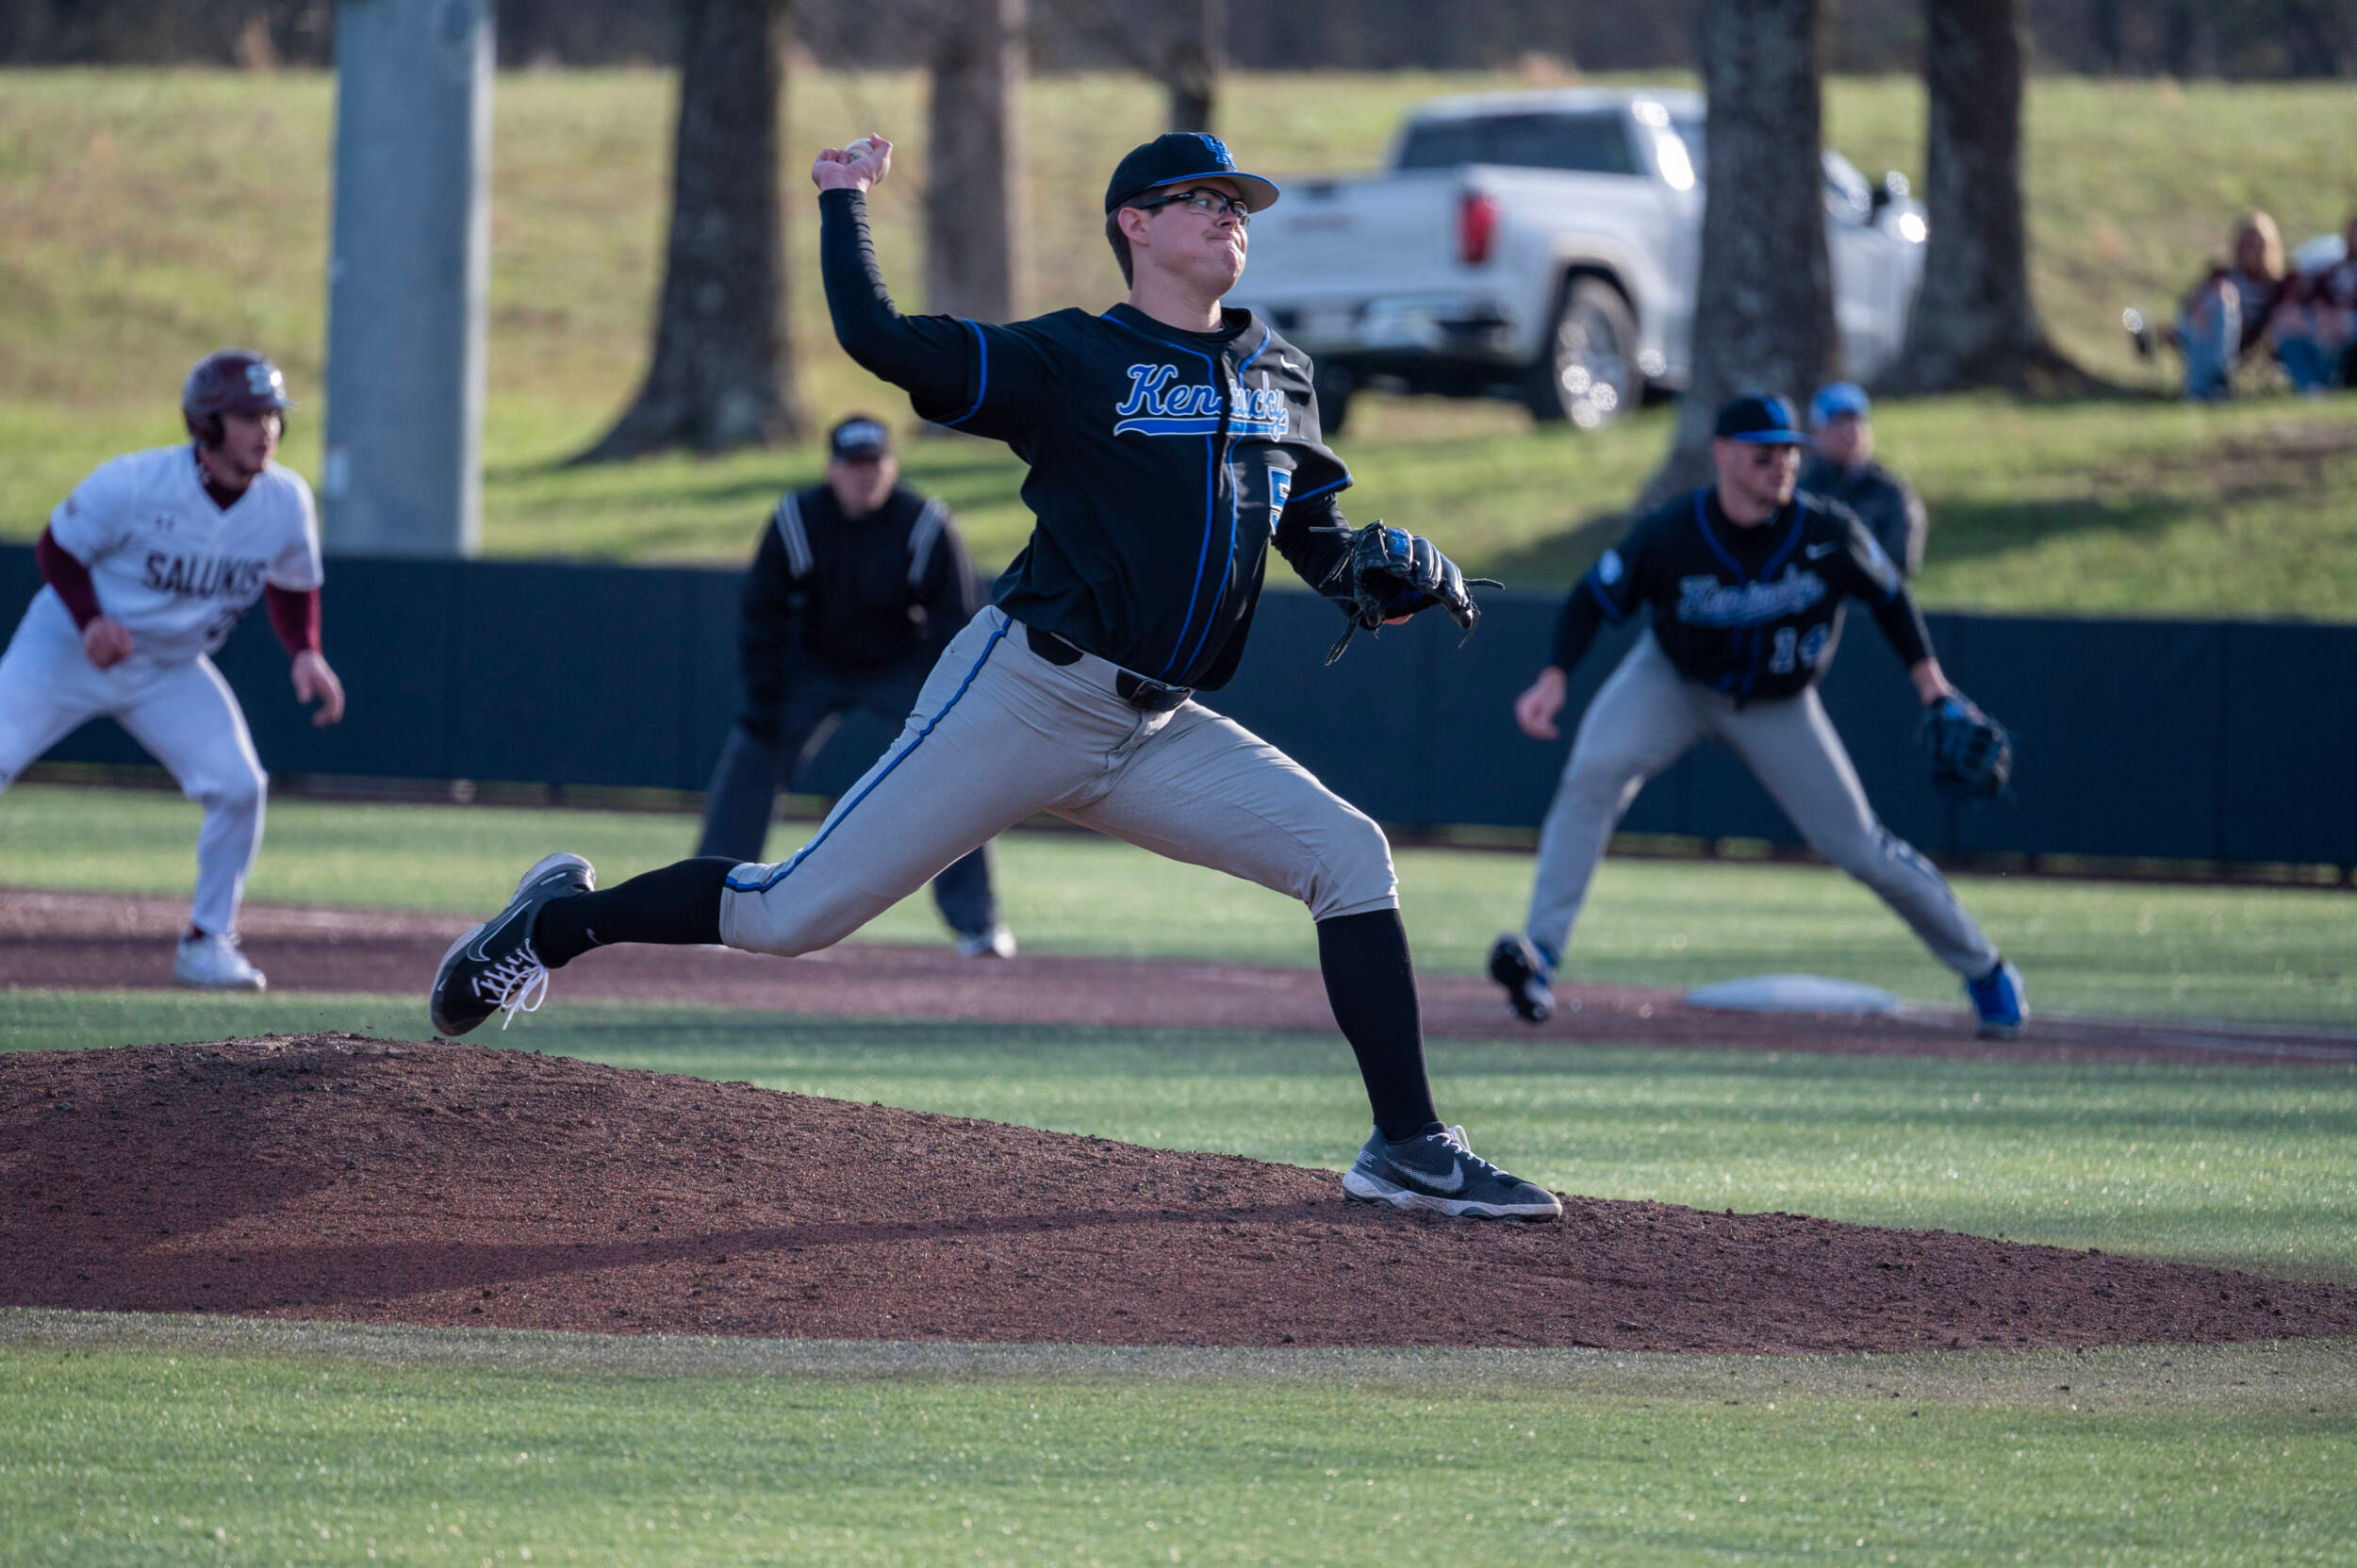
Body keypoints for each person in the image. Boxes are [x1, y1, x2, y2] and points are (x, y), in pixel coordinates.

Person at [429, 130, 1559, 1222]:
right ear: (1135, 223)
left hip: (1158, 728)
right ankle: (555, 926)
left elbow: (1312, 536)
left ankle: (1407, 1149)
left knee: (1349, 855)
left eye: (1241, 205)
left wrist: (1373, 566)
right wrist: (843, 201)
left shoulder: (1280, 371)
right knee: (788, 916)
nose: (1232, 217)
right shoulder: (1069, 357)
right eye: (1205, 199)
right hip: (1028, 693)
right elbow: (878, 338)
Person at [1487, 392, 2025, 1040]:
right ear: (1722, 454)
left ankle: (1987, 968)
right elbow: (1592, 597)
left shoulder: (1828, 531)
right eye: (1764, 452)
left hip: (1779, 703)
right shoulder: (1672, 532)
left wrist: (1933, 687)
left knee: (1859, 845)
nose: (1781, 465)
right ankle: (1540, 955)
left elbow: (1890, 597)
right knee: (1593, 772)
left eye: (1790, 452)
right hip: (1672, 681)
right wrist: (1554, 675)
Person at [0, 350, 346, 989]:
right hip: (68, 645)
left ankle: (207, 941)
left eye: (271, 414)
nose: (265, 428)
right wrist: (90, 619)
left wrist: (304, 649)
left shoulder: (285, 501)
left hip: (168, 666)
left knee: (241, 786)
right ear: (207, 424)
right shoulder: (136, 482)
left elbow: (293, 583)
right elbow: (58, 547)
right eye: (247, 415)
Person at [697, 414, 1013, 959]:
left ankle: (977, 923)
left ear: (891, 467)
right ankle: (709, 906)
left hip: (905, 663)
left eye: (874, 464)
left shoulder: (925, 521)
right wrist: (764, 698)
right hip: (816, 659)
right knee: (753, 750)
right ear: (832, 469)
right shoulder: (798, 516)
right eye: (853, 465)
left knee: (956, 773)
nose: (864, 477)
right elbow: (762, 613)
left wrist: (959, 710)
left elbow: (960, 621)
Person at [2134, 211, 2294, 400]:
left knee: (2223, 302)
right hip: (2202, 325)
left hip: (2238, 340)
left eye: (2259, 243)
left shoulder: (2277, 287)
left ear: (2271, 247)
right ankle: (2200, 382)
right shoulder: (2222, 273)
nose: (2253, 249)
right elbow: (2190, 303)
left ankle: (2198, 387)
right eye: (2247, 242)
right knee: (2216, 302)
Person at [1796, 382, 1924, 579]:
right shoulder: (1801, 493)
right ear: (1816, 431)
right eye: (1838, 422)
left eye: (1858, 420)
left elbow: (1903, 559)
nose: (1851, 430)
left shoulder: (1892, 492)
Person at [2271, 211, 2357, 394]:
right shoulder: (2333, 270)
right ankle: (2314, 388)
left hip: (2350, 324)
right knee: (2289, 329)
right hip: (2328, 324)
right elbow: (2316, 295)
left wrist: (2344, 315)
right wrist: (2321, 310)